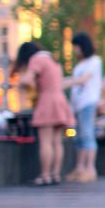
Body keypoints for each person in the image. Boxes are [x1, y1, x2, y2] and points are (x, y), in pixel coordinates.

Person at [12, 42, 74, 186]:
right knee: (57, 141)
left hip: (47, 101)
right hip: (60, 100)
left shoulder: (37, 60)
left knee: (45, 141)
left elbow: (27, 79)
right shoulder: (53, 60)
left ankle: (45, 175)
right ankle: (56, 174)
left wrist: (21, 85)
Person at [62, 33, 102, 183]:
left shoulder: (95, 61)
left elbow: (84, 79)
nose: (75, 51)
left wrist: (66, 83)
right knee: (79, 136)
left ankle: (90, 169)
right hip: (78, 105)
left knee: (87, 134)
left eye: (76, 47)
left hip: (88, 102)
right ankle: (79, 168)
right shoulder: (80, 65)